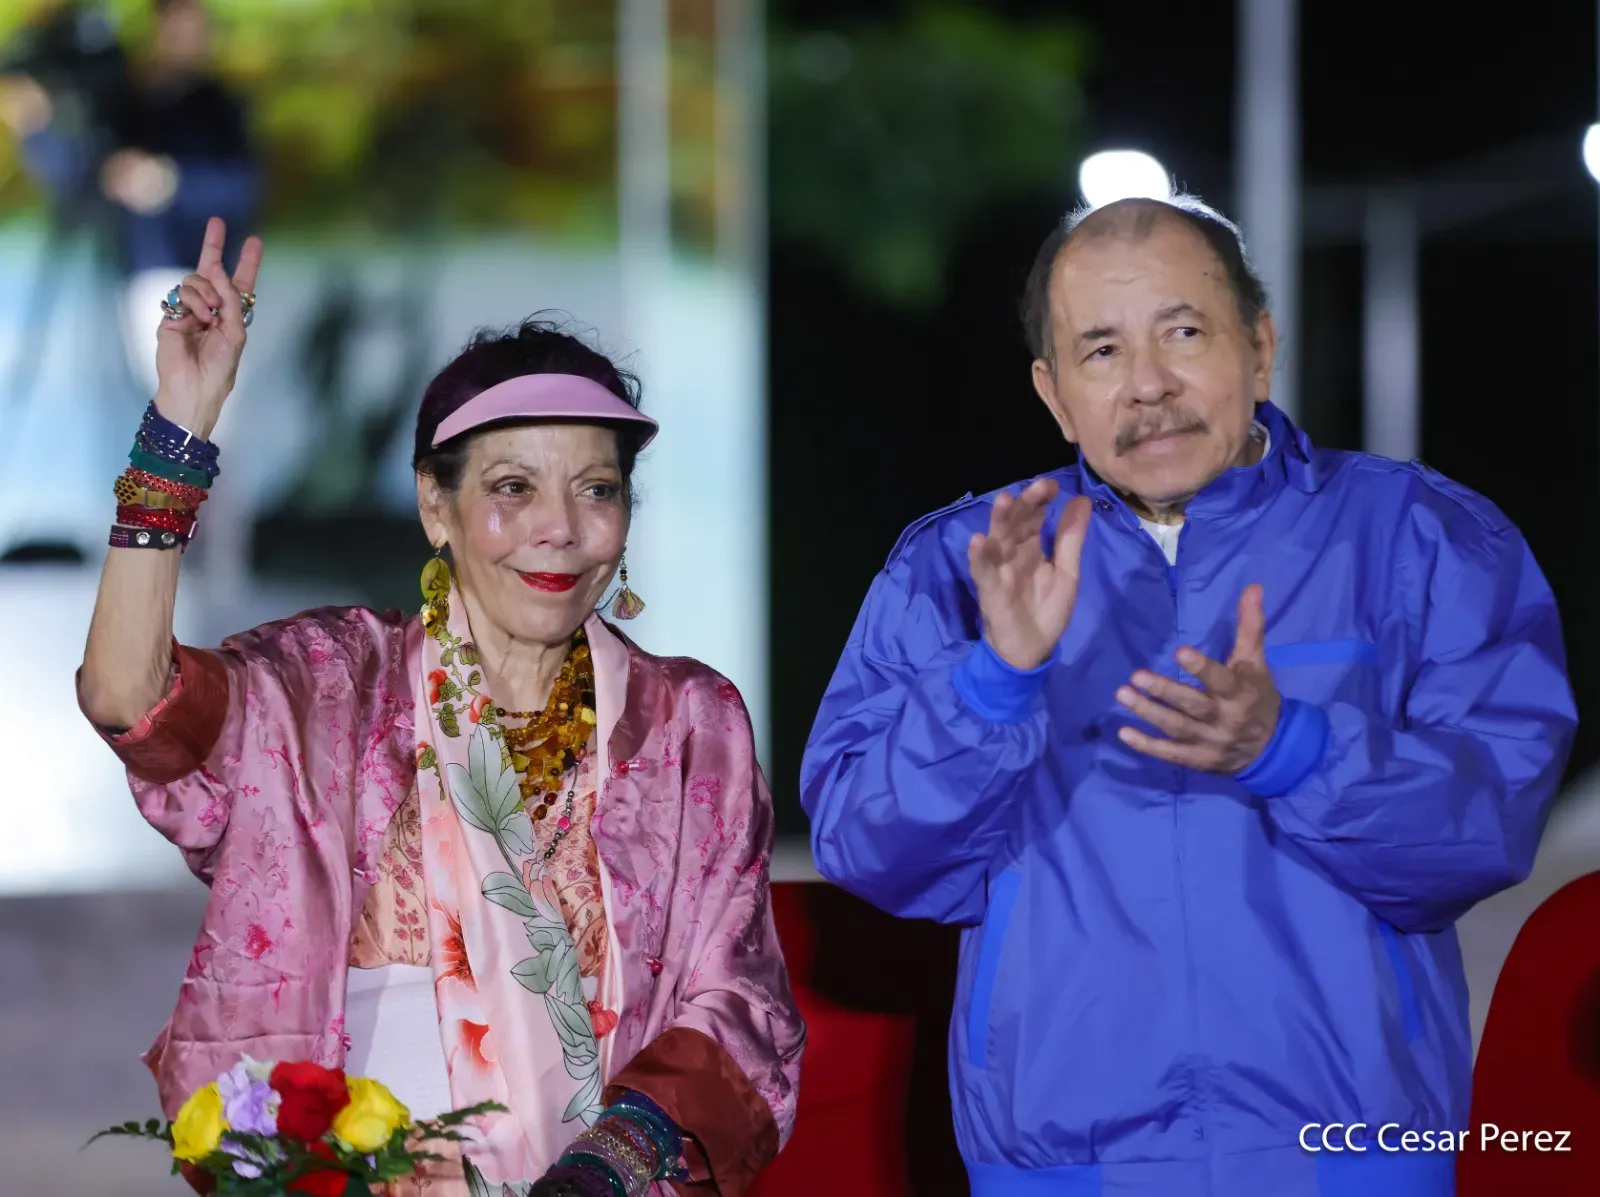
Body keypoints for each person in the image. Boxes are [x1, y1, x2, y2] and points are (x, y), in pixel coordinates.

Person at [801, 194, 1575, 1196]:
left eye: (1183, 332)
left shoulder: (1420, 537)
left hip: (1350, 1154)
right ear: (1052, 392)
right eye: (1101, 351)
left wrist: (1290, 750)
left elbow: (1485, 829)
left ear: (1259, 345)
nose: (1149, 387)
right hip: (1060, 1163)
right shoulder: (959, 566)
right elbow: (873, 856)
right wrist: (991, 686)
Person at [79, 218, 804, 1197]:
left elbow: (737, 1007)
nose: (560, 529)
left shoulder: (687, 725)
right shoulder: (332, 686)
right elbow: (131, 702)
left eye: (597, 489)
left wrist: (600, 1171)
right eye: (512, 488)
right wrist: (179, 426)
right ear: (435, 506)